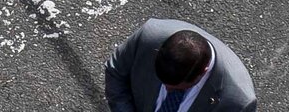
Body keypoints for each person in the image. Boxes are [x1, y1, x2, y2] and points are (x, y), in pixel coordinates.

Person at [104, 19, 257, 112]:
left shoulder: (238, 102)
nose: (167, 90)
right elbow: (115, 71)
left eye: (177, 89)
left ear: (203, 72)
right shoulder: (148, 37)